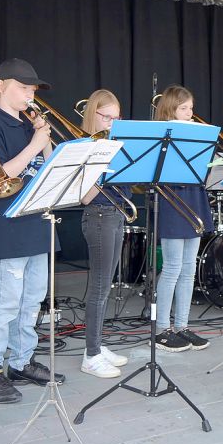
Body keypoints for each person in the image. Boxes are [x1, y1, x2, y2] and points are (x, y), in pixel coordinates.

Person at [0, 58, 63, 404]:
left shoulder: (31, 126)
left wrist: (43, 139)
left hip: (38, 222)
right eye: (23, 88)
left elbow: (51, 167)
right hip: (7, 226)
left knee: (31, 302)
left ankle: (21, 361)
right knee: (5, 304)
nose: (30, 95)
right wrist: (33, 143)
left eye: (32, 89)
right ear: (0, 86)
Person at [150, 85, 213, 351]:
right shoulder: (162, 136)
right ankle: (162, 328)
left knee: (189, 270)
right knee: (173, 267)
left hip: (193, 198)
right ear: (170, 109)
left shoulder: (194, 135)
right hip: (172, 199)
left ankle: (182, 325)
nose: (190, 113)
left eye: (191, 108)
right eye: (184, 108)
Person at [77, 89, 131, 378]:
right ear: (93, 115)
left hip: (116, 214)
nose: (111, 122)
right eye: (105, 116)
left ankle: (96, 343)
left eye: (115, 117)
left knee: (106, 286)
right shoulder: (85, 145)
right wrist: (103, 166)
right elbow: (84, 197)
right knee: (98, 289)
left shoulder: (115, 144)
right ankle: (91, 355)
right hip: (97, 216)